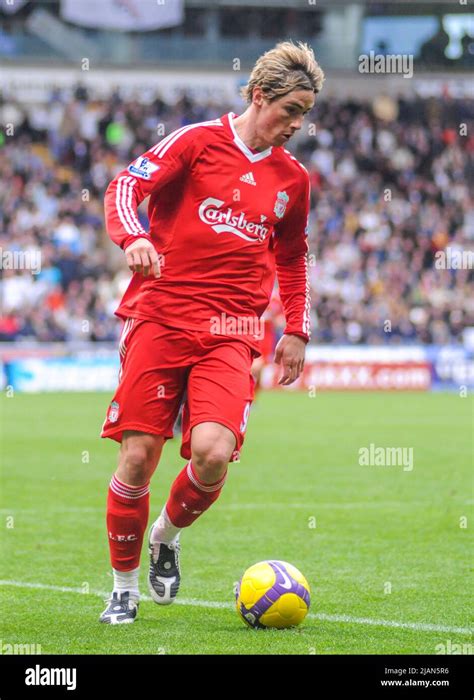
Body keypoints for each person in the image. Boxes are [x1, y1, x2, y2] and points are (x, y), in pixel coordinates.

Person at [99, 40, 324, 624]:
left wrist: (296, 327)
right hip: (161, 316)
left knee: (212, 455)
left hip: (234, 331)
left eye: (305, 114)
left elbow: (294, 255)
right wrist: (135, 238)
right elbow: (125, 186)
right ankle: (123, 587)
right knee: (139, 458)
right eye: (290, 110)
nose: (297, 124)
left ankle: (166, 537)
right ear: (257, 95)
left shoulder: (293, 180)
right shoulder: (196, 142)